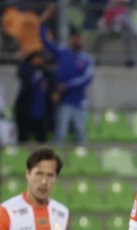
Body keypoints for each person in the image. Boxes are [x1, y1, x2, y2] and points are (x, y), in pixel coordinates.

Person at [40, 5, 95, 144]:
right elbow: (46, 42)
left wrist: (66, 86)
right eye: (76, 38)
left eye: (80, 38)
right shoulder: (63, 53)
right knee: (60, 133)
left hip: (79, 101)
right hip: (64, 101)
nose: (78, 40)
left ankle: (83, 161)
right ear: (71, 39)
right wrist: (44, 23)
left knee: (81, 132)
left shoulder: (87, 59)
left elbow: (87, 79)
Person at [15, 51, 55, 143]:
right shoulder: (27, 73)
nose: (38, 61)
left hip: (42, 114)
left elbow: (53, 89)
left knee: (42, 141)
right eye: (35, 59)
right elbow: (21, 70)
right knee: (22, 139)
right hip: (26, 113)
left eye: (40, 59)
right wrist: (21, 59)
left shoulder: (48, 75)